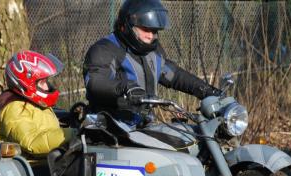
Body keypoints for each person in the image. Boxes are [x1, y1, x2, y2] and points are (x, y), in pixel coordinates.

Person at [83, 0, 222, 127]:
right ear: (125, 26)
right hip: (111, 128)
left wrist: (207, 91)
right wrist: (126, 87)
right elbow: (95, 82)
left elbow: (175, 76)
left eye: (154, 31)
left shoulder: (151, 51)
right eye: (145, 29)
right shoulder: (104, 49)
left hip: (145, 125)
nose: (151, 36)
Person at [0, 50, 74, 156]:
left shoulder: (32, 103)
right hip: (31, 166)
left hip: (50, 160)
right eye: (42, 82)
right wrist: (73, 134)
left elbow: (47, 129)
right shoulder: (13, 109)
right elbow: (32, 143)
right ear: (27, 82)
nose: (47, 87)